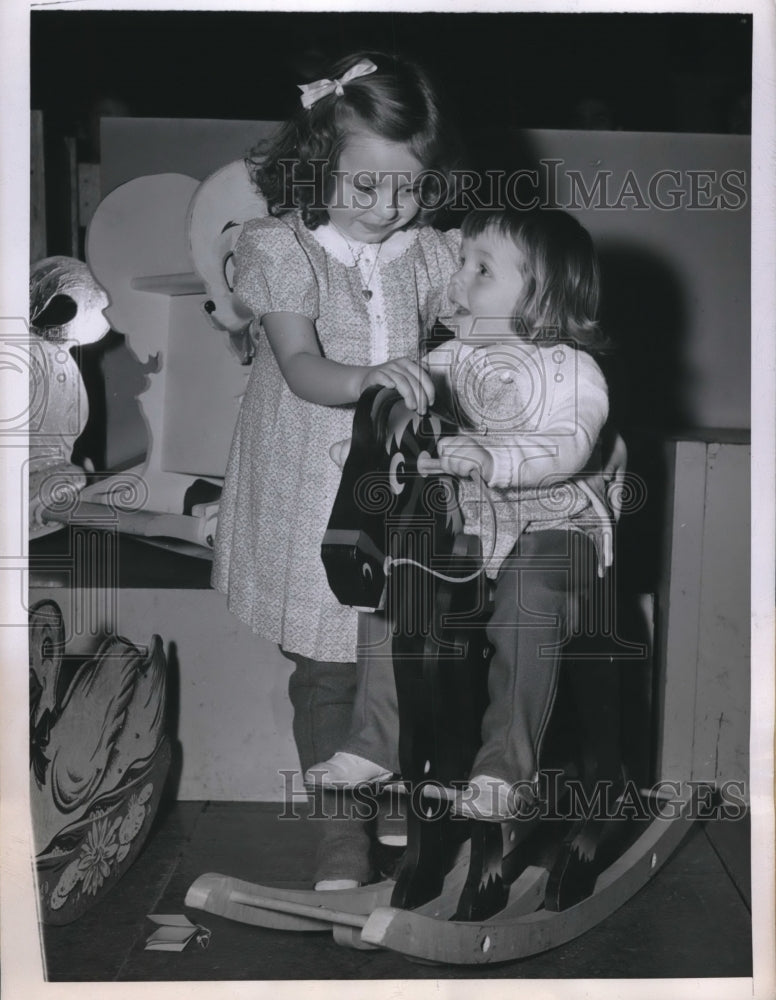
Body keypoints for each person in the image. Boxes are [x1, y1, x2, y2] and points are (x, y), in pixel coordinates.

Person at [211, 51, 463, 889]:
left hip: (398, 484)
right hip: (307, 488)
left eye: (410, 187)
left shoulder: (429, 253)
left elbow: (478, 327)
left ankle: (394, 792)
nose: (391, 208)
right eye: (368, 188)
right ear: (321, 167)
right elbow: (299, 367)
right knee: (327, 663)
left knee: (402, 647)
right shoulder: (280, 248)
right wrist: (369, 378)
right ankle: (337, 836)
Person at [307, 206, 625, 825]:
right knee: (399, 577)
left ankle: (505, 768)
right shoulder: (453, 354)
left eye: (482, 268)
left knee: (531, 597)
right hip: (477, 523)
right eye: (463, 261)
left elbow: (569, 445)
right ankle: (375, 741)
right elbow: (403, 409)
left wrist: (496, 456)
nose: (461, 276)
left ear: (541, 294)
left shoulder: (572, 369)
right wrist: (381, 441)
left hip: (556, 523)